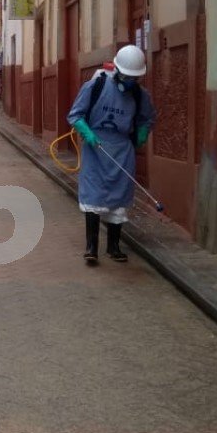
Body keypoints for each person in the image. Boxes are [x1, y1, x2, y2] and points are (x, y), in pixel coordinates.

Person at [66, 44, 156, 266]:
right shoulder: (95, 85)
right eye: (126, 77)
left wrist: (142, 133)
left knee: (119, 197)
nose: (130, 81)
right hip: (95, 147)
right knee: (93, 196)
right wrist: (87, 132)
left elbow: (147, 118)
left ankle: (114, 246)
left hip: (122, 149)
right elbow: (75, 114)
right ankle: (91, 247)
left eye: (134, 78)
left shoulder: (140, 94)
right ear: (117, 70)